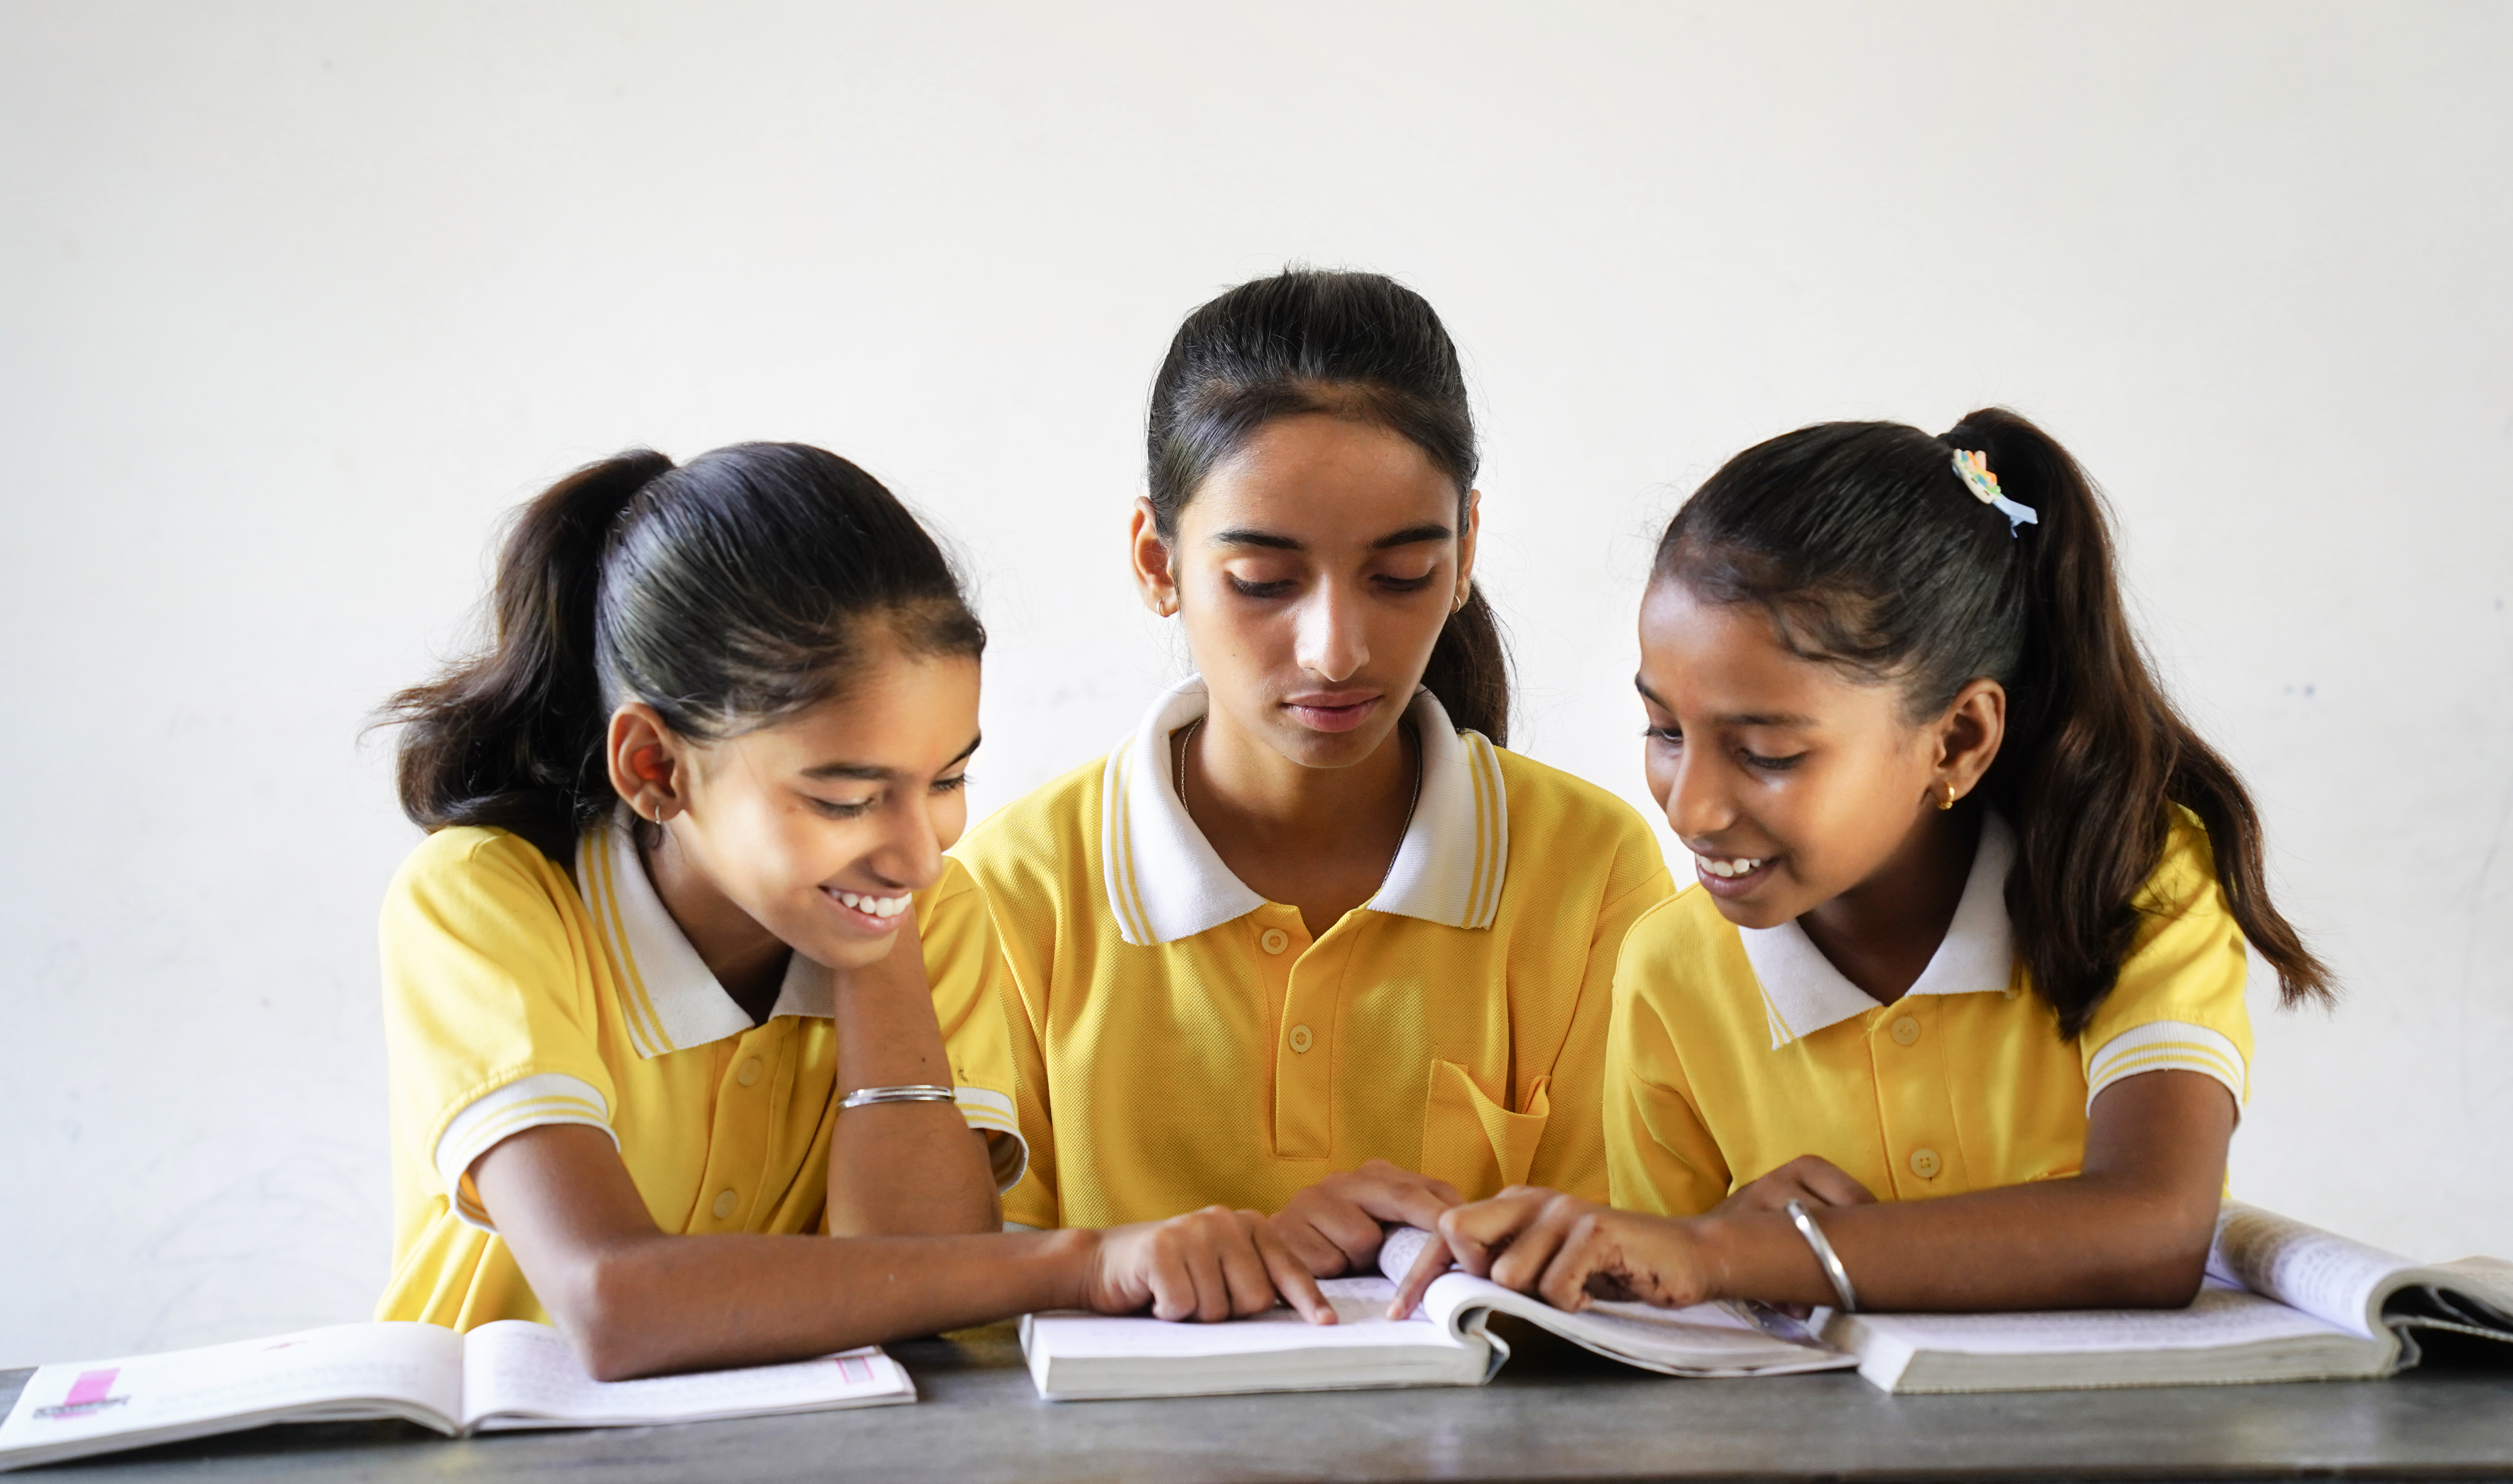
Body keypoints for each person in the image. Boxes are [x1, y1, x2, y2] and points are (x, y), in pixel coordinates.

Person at [375, 442, 1327, 1381]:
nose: (924, 852)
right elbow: (611, 1303)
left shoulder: (925, 917)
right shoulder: (485, 898)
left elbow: (927, 1274)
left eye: (948, 778)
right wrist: (1086, 1262)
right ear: (656, 768)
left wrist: (873, 943)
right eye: (844, 798)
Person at [1415, 410, 2331, 1318]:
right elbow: (1671, 1320)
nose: (1691, 807)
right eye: (1665, 729)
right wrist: (1713, 1252)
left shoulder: (2126, 880)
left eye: (1768, 752)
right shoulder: (1668, 973)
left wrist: (1740, 1248)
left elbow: (2155, 1227)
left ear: (1959, 740)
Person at [937, 270, 1672, 1307]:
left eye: (1402, 575)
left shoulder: (1590, 867)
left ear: (1464, 550)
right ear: (1158, 562)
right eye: (1264, 582)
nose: (1336, 651)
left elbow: (1632, 1261)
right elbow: (964, 1304)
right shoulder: (1014, 893)